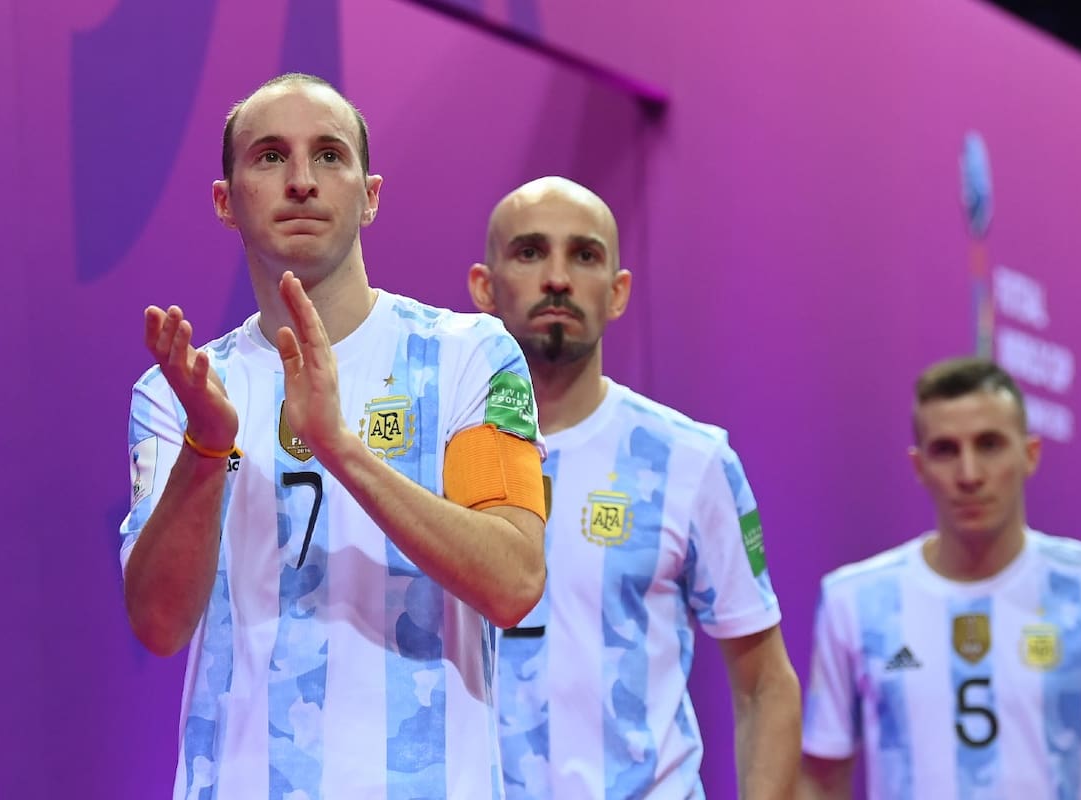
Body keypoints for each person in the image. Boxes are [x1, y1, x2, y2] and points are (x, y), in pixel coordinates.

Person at [119, 73, 548, 799]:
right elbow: (160, 624)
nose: (300, 182)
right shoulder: (179, 393)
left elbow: (513, 581)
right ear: (225, 202)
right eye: (268, 157)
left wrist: (341, 448)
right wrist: (205, 449)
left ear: (370, 195)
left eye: (328, 155)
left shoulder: (471, 353)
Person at [468, 176, 801, 799]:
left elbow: (765, 684)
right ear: (484, 286)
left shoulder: (691, 460)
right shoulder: (429, 456)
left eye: (585, 255)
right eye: (531, 252)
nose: (559, 278)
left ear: (618, 293)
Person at [799, 356, 1081, 799]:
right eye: (946, 450)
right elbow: (821, 775)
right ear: (919, 466)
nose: (968, 475)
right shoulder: (854, 600)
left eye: (989, 445)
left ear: (1030, 455)